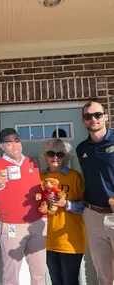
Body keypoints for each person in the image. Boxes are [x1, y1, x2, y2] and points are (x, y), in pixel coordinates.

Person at [0, 128, 46, 285]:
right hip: (11, 224)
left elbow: (39, 191)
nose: (14, 145)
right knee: (12, 274)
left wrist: (44, 217)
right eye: (9, 142)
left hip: (36, 224)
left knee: (39, 273)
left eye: (17, 141)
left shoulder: (32, 163)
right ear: (2, 146)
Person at [76, 100, 114, 285]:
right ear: (83, 121)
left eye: (98, 114)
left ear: (106, 116)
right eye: (88, 116)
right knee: (103, 272)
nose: (93, 119)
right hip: (93, 215)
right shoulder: (81, 149)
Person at [40, 138, 86, 285]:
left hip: (70, 239)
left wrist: (66, 203)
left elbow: (86, 206)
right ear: (45, 156)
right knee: (55, 281)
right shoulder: (39, 178)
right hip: (46, 239)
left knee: (70, 281)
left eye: (59, 154)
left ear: (65, 156)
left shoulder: (75, 177)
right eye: (51, 153)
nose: (55, 157)